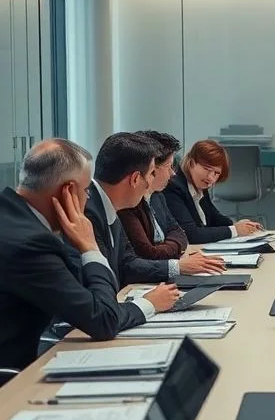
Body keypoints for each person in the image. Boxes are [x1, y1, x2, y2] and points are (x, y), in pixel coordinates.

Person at [0, 139, 179, 370]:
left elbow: (85, 295)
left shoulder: (13, 220)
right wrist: (90, 247)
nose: (88, 198)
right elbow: (102, 319)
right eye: (85, 190)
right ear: (69, 191)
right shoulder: (31, 244)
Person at [86, 132, 225, 285]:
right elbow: (106, 281)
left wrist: (176, 266)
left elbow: (127, 262)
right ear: (135, 179)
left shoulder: (106, 205)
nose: (149, 185)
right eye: (152, 173)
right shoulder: (90, 213)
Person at [164, 139, 262, 244]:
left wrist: (237, 225)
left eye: (216, 173)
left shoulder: (200, 184)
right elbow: (191, 235)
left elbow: (214, 217)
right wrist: (235, 230)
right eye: (207, 169)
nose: (211, 178)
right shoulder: (173, 187)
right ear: (191, 163)